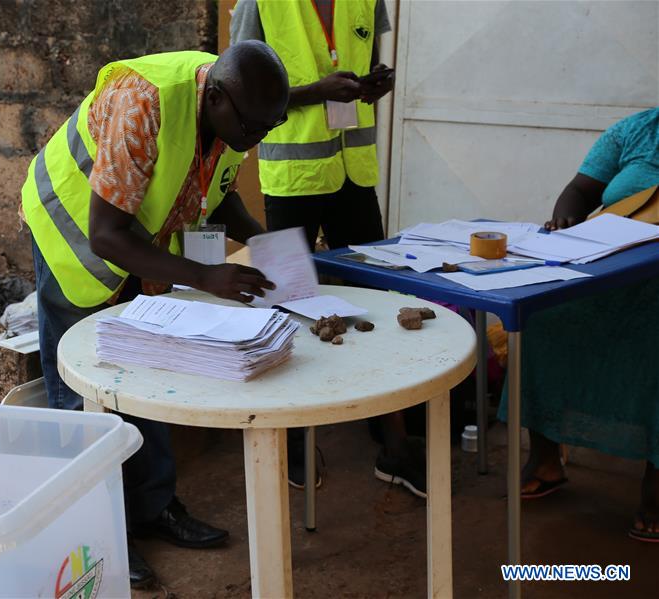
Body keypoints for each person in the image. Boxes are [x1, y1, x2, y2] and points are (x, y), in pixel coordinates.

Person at [21, 41, 291, 585]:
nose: (256, 141)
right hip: (75, 233)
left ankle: (154, 507)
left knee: (149, 371)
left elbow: (219, 196)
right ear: (215, 98)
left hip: (134, 237)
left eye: (268, 129)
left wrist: (269, 245)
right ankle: (98, 532)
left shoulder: (233, 112)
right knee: (84, 392)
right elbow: (105, 235)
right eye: (253, 130)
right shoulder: (144, 104)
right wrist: (207, 277)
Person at [230, 0, 427, 498]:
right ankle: (294, 440)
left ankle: (394, 444)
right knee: (288, 306)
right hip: (291, 179)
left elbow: (363, 73)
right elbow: (238, 91)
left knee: (378, 302)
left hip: (355, 174)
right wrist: (315, 92)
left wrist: (372, 87)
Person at [500, 107, 659, 542]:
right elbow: (579, 190)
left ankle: (657, 480)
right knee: (545, 314)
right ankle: (547, 456)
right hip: (609, 268)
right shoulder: (636, 130)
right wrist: (566, 220)